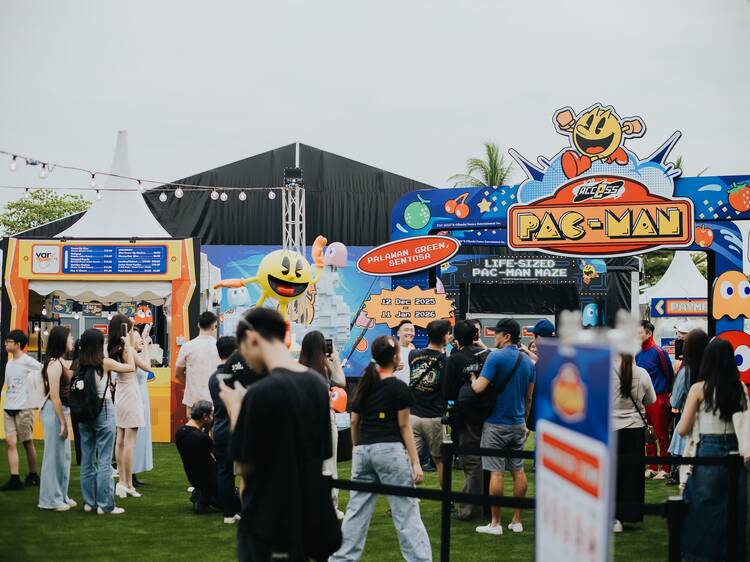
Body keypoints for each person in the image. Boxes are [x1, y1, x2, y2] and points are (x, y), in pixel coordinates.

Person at [219, 307, 336, 561]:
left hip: (266, 520)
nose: (245, 358)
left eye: (243, 349)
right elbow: (323, 451)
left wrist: (236, 408)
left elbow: (244, 465)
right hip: (305, 515)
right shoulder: (317, 385)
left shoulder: (260, 393)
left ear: (251, 339)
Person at [330, 336, 431, 562]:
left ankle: (340, 559)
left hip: (364, 451)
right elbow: (404, 426)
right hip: (391, 451)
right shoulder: (398, 387)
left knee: (356, 513)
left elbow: (354, 421)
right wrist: (415, 462)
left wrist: (357, 449)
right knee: (406, 513)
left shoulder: (366, 385)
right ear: (395, 358)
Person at [677, 338, 748, 561]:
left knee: (703, 509)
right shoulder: (739, 388)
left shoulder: (699, 389)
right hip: (735, 453)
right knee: (732, 510)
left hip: (706, 450)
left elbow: (683, 429)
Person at [471, 318, 535, 536]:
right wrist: (525, 422)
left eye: (497, 333)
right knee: (518, 470)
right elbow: (528, 398)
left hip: (495, 424)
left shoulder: (495, 357)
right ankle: (517, 520)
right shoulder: (528, 362)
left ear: (506, 336)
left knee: (496, 473)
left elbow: (479, 388)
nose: (494, 337)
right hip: (518, 424)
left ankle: (495, 523)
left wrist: (472, 379)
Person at [77, 328, 135, 515]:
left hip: (84, 413)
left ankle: (89, 502)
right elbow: (131, 368)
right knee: (104, 460)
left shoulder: (79, 364)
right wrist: (129, 346)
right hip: (104, 410)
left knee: (87, 459)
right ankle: (105, 504)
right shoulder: (105, 363)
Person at [299, 330, 346, 519]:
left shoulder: (298, 368)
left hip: (303, 420)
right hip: (324, 417)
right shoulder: (325, 368)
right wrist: (336, 359)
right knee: (329, 463)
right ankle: (330, 506)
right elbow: (341, 382)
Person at [445, 320, 488, 522]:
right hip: (487, 413)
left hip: (465, 415)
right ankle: (486, 505)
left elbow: (448, 390)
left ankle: (471, 510)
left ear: (456, 338)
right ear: (476, 335)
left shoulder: (455, 358)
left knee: (471, 462)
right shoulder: (486, 355)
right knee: (486, 460)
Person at [611, 352, 656, 533]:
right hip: (635, 427)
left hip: (612, 427)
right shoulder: (642, 373)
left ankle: (613, 516)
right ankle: (628, 514)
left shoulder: (606, 372)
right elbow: (651, 399)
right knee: (632, 474)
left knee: (612, 473)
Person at [207, 336, 249, 524]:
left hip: (219, 428)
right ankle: (246, 512)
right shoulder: (238, 375)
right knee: (245, 473)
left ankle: (228, 513)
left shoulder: (213, 378)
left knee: (224, 472)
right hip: (237, 427)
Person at [408, 319, 452, 487]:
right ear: (445, 336)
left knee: (410, 460)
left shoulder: (413, 355)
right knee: (440, 460)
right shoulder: (446, 361)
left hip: (413, 415)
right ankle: (447, 498)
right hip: (434, 416)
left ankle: (404, 498)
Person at [38, 326, 77, 511]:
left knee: (64, 456)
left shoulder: (60, 361)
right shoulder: (54, 364)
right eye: (69, 337)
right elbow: (54, 396)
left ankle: (61, 495)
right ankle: (49, 500)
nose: (72, 340)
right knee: (53, 457)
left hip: (61, 411)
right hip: (55, 412)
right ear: (62, 340)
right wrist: (62, 422)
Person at [108, 314, 145, 499]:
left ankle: (122, 482)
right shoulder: (126, 349)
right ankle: (128, 484)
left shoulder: (111, 348)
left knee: (120, 440)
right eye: (130, 329)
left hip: (120, 395)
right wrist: (141, 347)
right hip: (130, 394)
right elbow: (143, 367)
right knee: (129, 442)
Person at [667, 329, 709, 486]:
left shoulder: (686, 370)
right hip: (710, 429)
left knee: (688, 480)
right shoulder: (712, 369)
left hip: (689, 423)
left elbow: (675, 402)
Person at [1, 329, 41, 491]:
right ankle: (15, 478)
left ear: (18, 344)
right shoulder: (9, 363)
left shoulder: (28, 361)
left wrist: (35, 395)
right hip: (9, 406)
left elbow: (43, 372)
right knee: (10, 442)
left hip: (25, 407)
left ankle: (33, 475)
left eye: (9, 341)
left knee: (27, 442)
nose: (5, 343)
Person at [636, 320, 675, 480]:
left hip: (659, 399)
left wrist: (668, 395)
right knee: (648, 434)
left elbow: (669, 374)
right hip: (643, 400)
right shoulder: (637, 353)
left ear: (649, 333)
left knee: (661, 434)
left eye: (639, 332)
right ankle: (652, 466)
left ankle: (665, 468)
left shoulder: (659, 352)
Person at [175, 400, 221, 513]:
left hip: (194, 478)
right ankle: (206, 496)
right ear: (205, 416)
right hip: (211, 481)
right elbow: (217, 456)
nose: (213, 418)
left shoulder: (180, 432)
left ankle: (202, 495)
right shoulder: (202, 438)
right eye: (211, 415)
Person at [176, 311, 220, 418]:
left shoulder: (187, 347)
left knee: (193, 427)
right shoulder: (219, 346)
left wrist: (191, 384)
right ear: (214, 326)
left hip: (193, 400)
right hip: (214, 400)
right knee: (213, 427)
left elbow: (178, 374)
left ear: (198, 325)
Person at [132, 324, 154, 487]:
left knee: (141, 436)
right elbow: (148, 367)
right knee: (134, 437)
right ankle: (130, 473)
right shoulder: (131, 355)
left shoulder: (136, 355)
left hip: (142, 397)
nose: (141, 340)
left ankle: (134, 472)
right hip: (136, 398)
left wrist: (145, 344)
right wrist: (145, 345)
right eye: (138, 337)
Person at [393, 320, 416, 385]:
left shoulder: (412, 348)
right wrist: (394, 368)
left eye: (412, 331)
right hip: (395, 387)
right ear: (398, 333)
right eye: (406, 330)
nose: (409, 333)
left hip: (409, 388)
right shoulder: (391, 349)